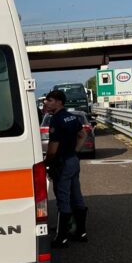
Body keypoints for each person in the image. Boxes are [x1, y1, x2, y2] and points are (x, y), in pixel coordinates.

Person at [43, 89, 87, 247]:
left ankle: (61, 237)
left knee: (63, 199)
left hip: (62, 162)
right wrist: (75, 151)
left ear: (60, 102)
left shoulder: (56, 120)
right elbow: (82, 134)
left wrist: (47, 162)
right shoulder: (72, 117)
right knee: (76, 196)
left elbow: (53, 147)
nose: (46, 103)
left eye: (50, 100)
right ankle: (81, 232)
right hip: (73, 160)